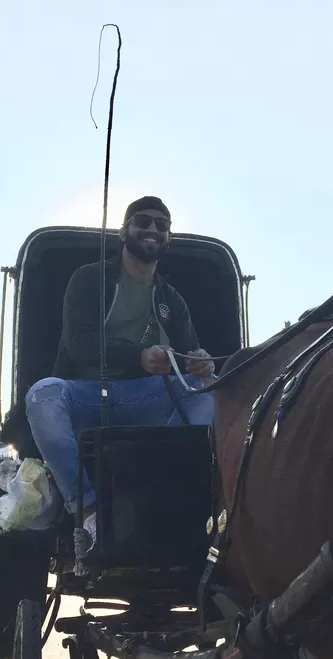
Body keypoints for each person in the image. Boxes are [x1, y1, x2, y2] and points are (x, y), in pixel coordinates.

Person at [25, 196, 216, 547]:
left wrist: (201, 361)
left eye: (161, 225)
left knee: (206, 388)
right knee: (43, 394)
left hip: (146, 399)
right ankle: (88, 512)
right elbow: (78, 343)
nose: (152, 229)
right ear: (124, 231)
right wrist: (138, 357)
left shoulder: (172, 299)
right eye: (142, 221)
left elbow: (189, 357)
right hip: (88, 397)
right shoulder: (89, 278)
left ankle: (152, 494)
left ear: (169, 237)